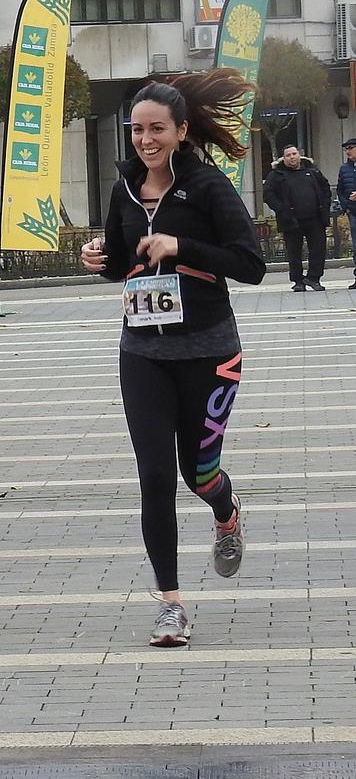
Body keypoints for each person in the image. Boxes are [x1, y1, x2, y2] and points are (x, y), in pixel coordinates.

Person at [80, 69, 266, 647]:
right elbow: (120, 259)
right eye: (136, 130)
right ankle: (170, 604)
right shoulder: (124, 190)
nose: (145, 139)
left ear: (182, 131)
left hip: (208, 349)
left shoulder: (207, 187)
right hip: (142, 351)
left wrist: (181, 245)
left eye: (157, 128)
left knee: (198, 472)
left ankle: (226, 509)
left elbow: (251, 263)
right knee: (155, 477)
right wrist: (99, 258)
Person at [264, 144, 331, 291]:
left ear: (299, 155)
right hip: (291, 220)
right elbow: (268, 195)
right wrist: (282, 209)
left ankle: (314, 278)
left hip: (315, 219)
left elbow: (326, 188)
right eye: (288, 155)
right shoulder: (276, 175)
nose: (292, 157)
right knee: (294, 252)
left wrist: (324, 206)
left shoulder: (313, 171)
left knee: (318, 250)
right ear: (284, 158)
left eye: (294, 154)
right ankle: (298, 281)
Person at [335, 138, 356, 289]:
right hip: (353, 211)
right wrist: (346, 206)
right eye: (346, 149)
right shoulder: (344, 168)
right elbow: (340, 190)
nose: (348, 151)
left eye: (351, 148)